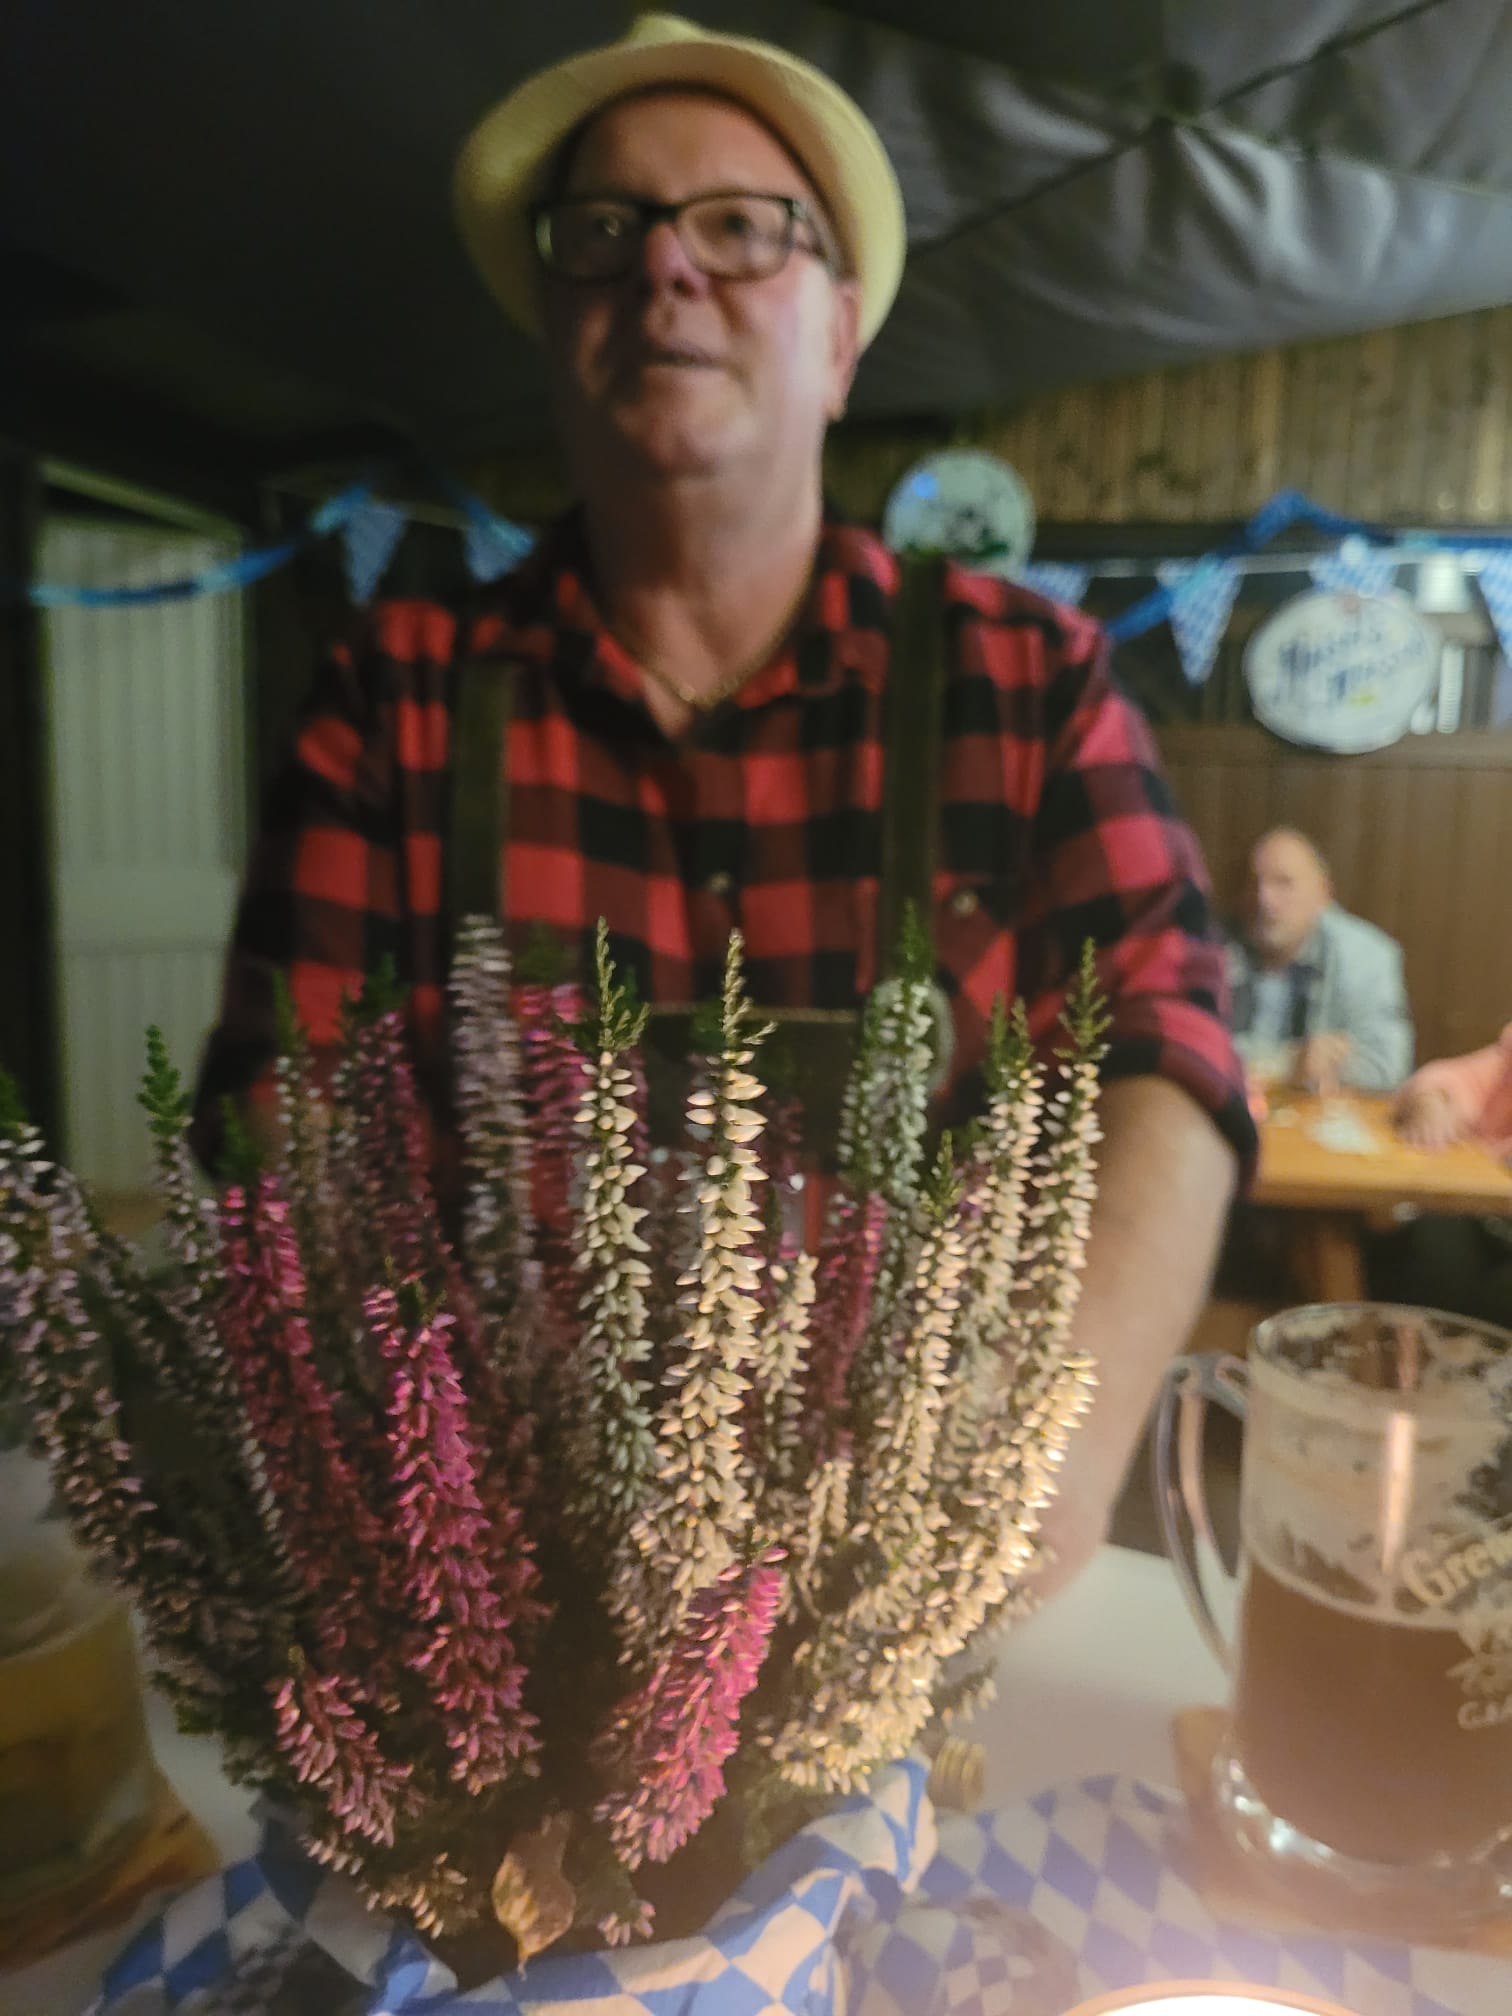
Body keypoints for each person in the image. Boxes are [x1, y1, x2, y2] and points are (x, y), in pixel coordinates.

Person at [194, 12, 1253, 1593]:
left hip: (913, 1586)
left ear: (840, 339)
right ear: (555, 325)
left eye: (743, 229)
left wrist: (1056, 1445)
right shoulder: (397, 702)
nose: (665, 269)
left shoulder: (1026, 683)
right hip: (510, 1600)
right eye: (603, 232)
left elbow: (1170, 1049)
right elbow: (278, 1132)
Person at [1225, 826, 1413, 1095]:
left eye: (1283, 883)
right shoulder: (1212, 945)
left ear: (1322, 893)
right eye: (1255, 883)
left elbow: (1387, 1064)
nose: (1263, 899)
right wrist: (1290, 1063)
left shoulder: (1366, 956)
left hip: (1317, 1113)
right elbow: (1188, 1048)